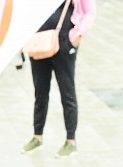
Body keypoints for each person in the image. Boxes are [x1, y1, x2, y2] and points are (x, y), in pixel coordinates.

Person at [22, 0, 97, 158]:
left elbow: (90, 10)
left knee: (66, 91)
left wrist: (78, 34)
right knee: (40, 91)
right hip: (39, 40)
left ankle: (71, 140)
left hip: (64, 41)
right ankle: (37, 136)